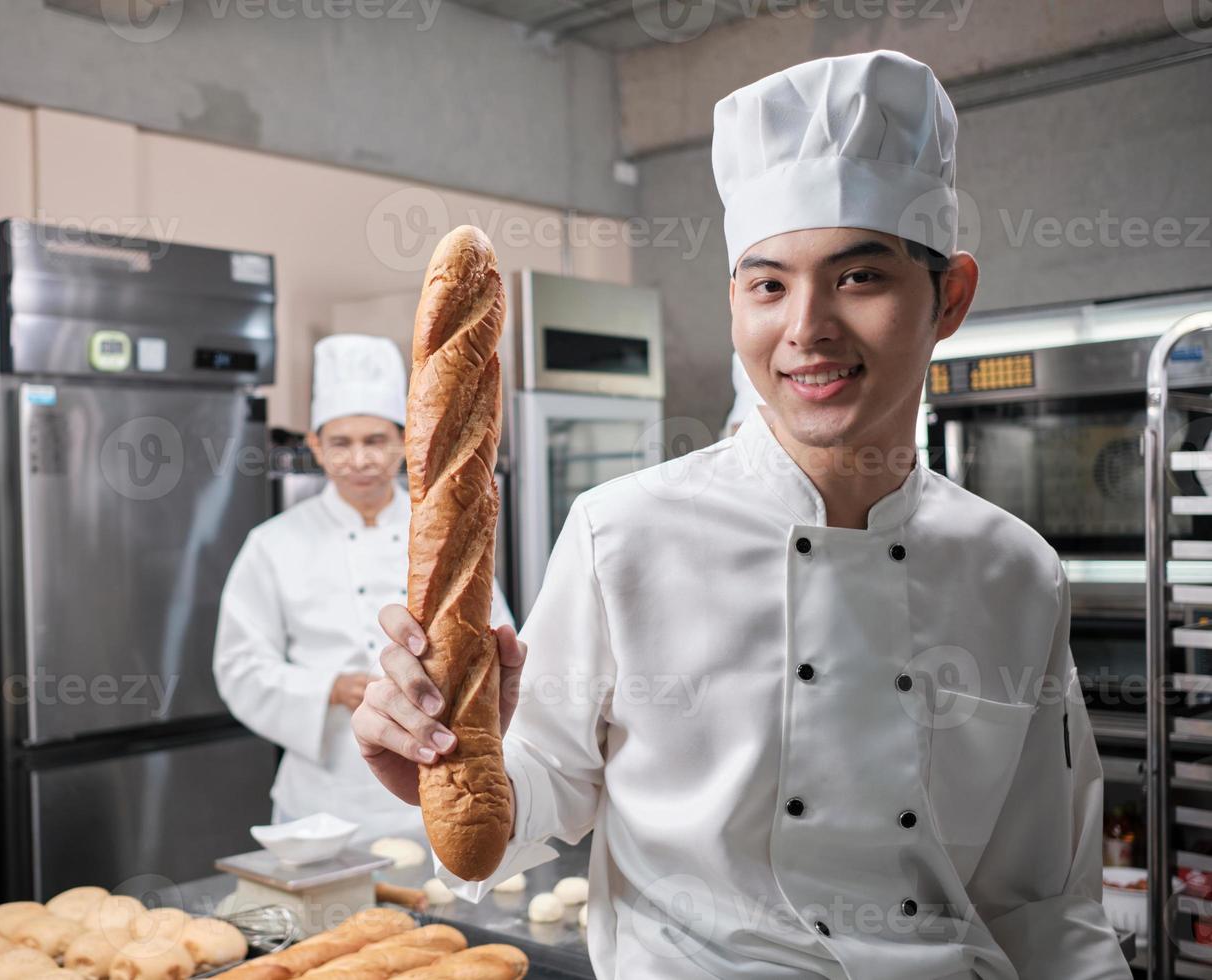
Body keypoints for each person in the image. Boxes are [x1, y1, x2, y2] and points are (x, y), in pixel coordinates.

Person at [353, 51, 1128, 979]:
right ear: (734, 307)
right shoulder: (622, 533)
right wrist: (433, 764)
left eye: (858, 278)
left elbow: (1044, 902)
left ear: (949, 297)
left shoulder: (1016, 570)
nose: (805, 327)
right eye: (768, 284)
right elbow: (546, 788)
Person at [213, 333, 515, 843]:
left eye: (374, 441)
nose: (359, 459)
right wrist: (330, 687)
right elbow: (239, 666)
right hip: (322, 800)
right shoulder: (273, 543)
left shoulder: (445, 530)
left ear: (404, 441)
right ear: (315, 446)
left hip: (435, 783)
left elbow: (492, 640)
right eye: (340, 443)